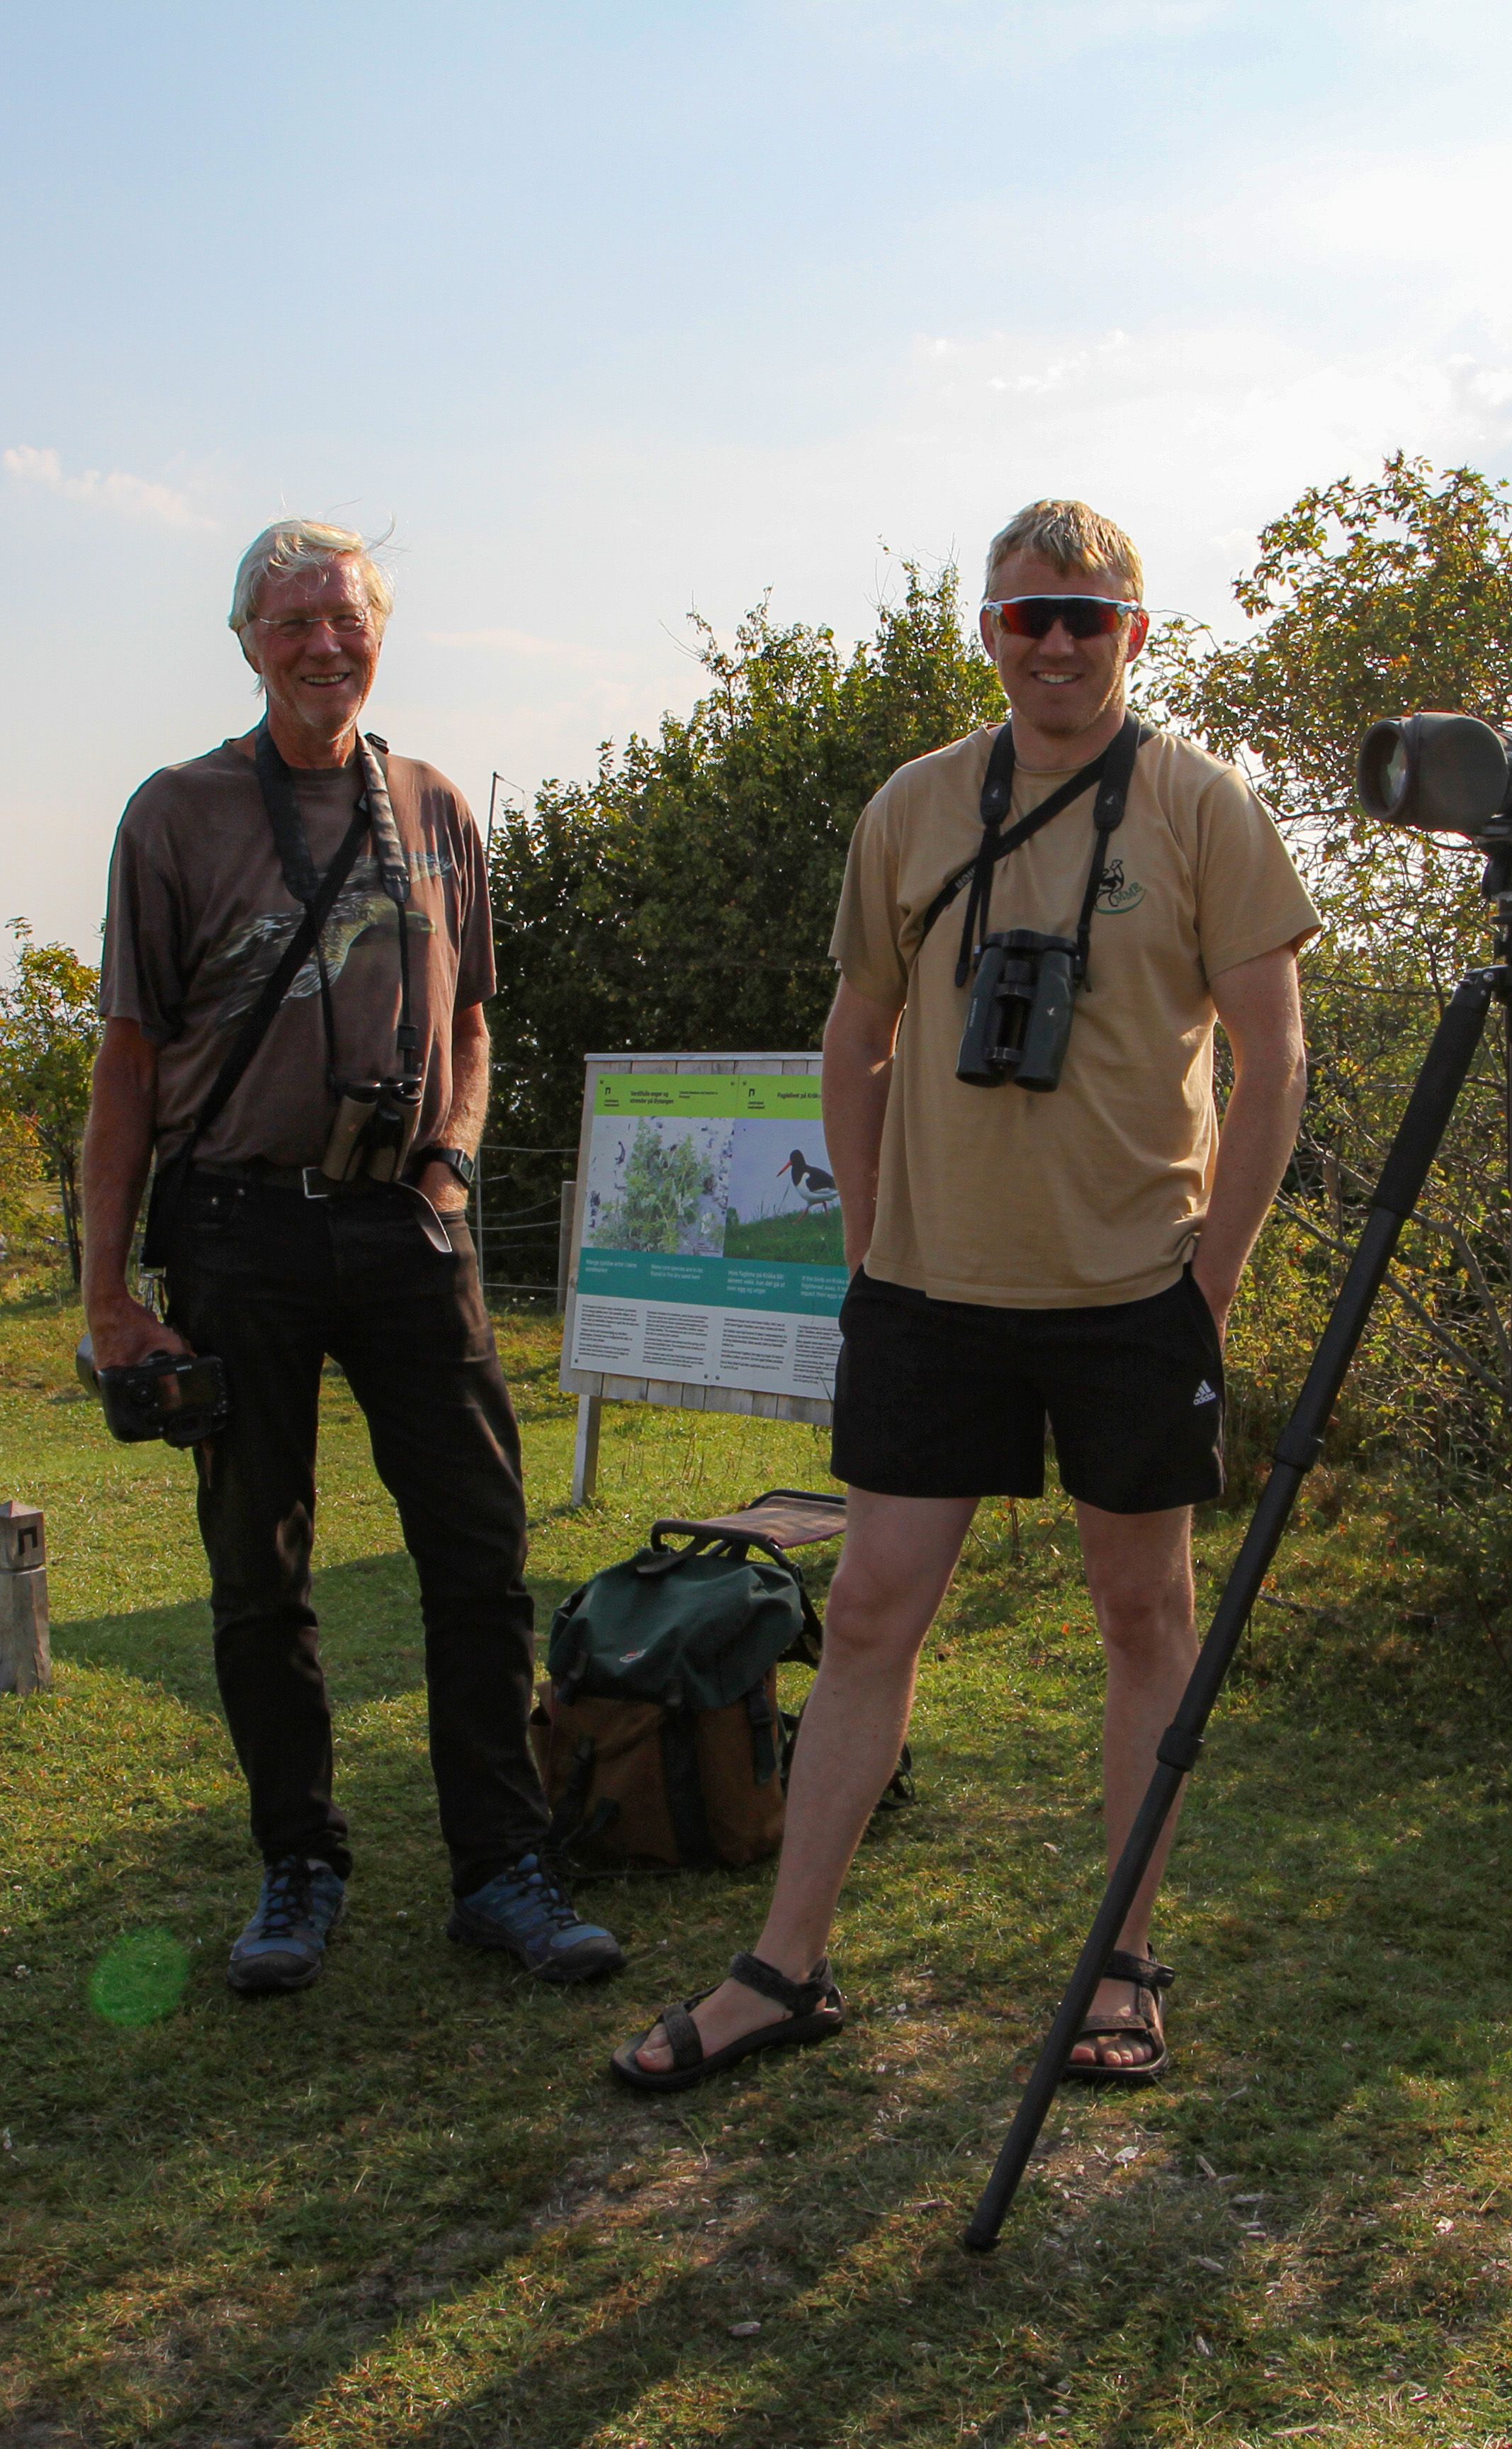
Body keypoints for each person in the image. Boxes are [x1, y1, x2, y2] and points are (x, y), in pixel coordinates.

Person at [612, 499, 1314, 2090]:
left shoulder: (1204, 806)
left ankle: (1122, 1963)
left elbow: (1276, 1064)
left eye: (1086, 615)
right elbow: (853, 1035)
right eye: (1025, 615)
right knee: (868, 1610)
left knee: (1142, 1615)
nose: (1055, 643)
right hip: (932, 1292)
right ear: (987, 630)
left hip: (1135, 1291)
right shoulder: (915, 806)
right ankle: (783, 1969)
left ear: (1136, 631)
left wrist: (1210, 1282)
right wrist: (870, 1245)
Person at [83, 518, 621, 1996]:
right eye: (292, 621)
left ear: (379, 631)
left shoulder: (437, 805)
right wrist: (108, 1295)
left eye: (346, 618)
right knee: (259, 1571)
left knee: (480, 1557)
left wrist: (451, 1165)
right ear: (245, 642)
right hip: (238, 1225)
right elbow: (127, 1062)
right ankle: (298, 1870)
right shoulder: (176, 816)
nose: (324, 645)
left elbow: (473, 1024)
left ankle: (502, 1869)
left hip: (406, 1227)